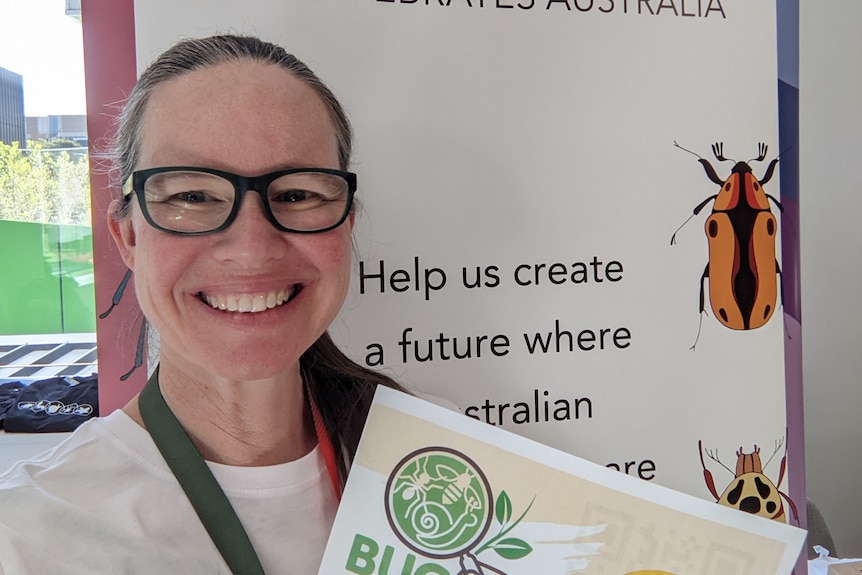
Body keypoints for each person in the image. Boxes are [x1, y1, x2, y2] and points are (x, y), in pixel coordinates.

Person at [0, 34, 406, 574]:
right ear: (127, 236)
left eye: (297, 194)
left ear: (347, 223)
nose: (253, 249)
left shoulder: (449, 466)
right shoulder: (26, 536)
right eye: (192, 196)